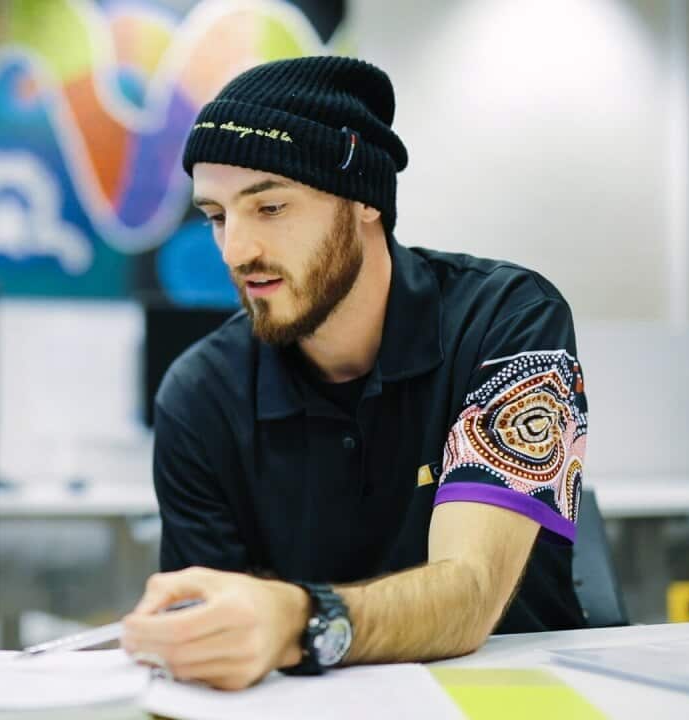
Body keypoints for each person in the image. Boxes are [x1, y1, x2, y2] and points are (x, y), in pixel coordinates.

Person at [120, 56, 588, 690]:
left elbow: (471, 592)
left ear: (365, 199)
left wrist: (299, 620)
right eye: (217, 216)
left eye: (271, 207)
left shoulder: (508, 324)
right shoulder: (200, 395)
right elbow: (212, 629)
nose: (235, 250)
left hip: (511, 697)